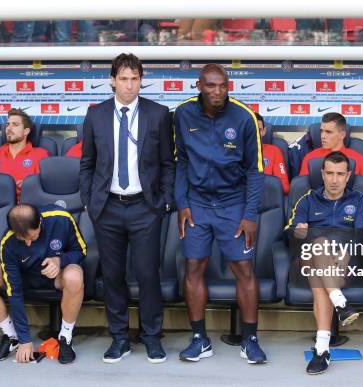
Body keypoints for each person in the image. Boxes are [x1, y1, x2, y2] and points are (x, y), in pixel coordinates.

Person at [79, 53, 175, 364]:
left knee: (148, 274)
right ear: (112, 80)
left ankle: (151, 337)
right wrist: (90, 202)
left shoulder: (158, 114)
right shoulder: (95, 115)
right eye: (123, 78)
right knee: (113, 276)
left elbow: (167, 164)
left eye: (135, 79)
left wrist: (163, 202)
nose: (129, 85)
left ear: (141, 80)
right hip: (107, 208)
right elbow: (87, 165)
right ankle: (119, 338)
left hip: (145, 208)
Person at [174, 63, 266, 364]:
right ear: (198, 86)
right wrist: (182, 203)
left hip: (233, 203)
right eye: (211, 85)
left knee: (244, 269)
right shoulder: (183, 114)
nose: (218, 91)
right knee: (194, 266)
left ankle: (250, 339)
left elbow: (255, 171)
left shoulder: (244, 117)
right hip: (198, 203)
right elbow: (181, 163)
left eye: (223, 85)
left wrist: (250, 214)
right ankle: (199, 338)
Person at [286, 151, 363, 375]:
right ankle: (341, 303)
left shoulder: (358, 199)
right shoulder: (308, 199)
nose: (334, 180)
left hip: (342, 262)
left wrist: (346, 253)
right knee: (318, 242)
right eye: (330, 173)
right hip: (307, 258)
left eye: (340, 174)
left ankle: (322, 350)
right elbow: (289, 232)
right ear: (322, 174)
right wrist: (299, 234)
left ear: (348, 175)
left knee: (320, 285)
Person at [0, 204, 85, 364]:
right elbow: (14, 292)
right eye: (22, 239)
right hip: (24, 277)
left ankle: (65, 337)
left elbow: (81, 251)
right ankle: (12, 337)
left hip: (57, 275)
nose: (28, 243)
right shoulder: (8, 241)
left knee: (75, 275)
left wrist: (60, 260)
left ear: (40, 222)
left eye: (32, 237)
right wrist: (25, 339)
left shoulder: (61, 218)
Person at [299, 112, 363, 196]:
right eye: (321, 131)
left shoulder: (357, 158)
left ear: (342, 135)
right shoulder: (310, 158)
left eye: (328, 132)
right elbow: (301, 189)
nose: (323, 136)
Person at [0, 109, 48, 202]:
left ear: (26, 131)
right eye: (7, 125)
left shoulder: (41, 154)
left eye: (15, 125)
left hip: (27, 204)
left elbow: (44, 186)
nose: (9, 128)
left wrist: (29, 185)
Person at [255, 112, 289, 194]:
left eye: (258, 130)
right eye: (250, 129)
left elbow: (284, 187)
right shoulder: (236, 151)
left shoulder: (274, 151)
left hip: (268, 199)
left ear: (264, 131)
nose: (254, 134)